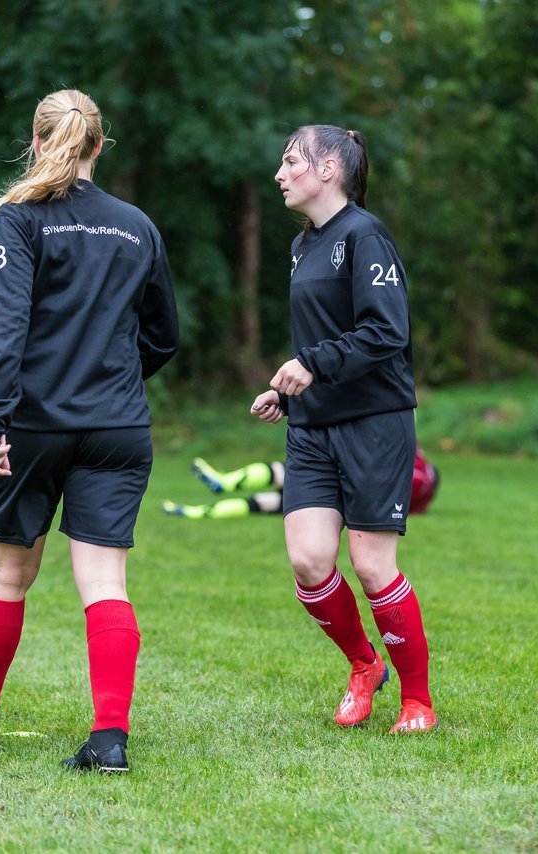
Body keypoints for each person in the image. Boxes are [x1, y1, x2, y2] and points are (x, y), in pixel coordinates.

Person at [0, 89, 178, 774]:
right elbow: (165, 335)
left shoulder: (20, 217)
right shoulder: (138, 226)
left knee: (8, 573)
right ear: (100, 145)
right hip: (118, 427)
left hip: (33, 425)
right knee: (105, 582)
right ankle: (109, 742)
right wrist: (117, 380)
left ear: (37, 143)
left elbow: (8, 328)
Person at [250, 124, 436, 734]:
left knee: (373, 565)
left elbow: (387, 333)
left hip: (374, 424)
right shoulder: (304, 245)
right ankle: (364, 665)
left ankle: (417, 702)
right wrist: (287, 387)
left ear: (329, 169)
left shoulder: (365, 235)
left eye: (290, 161)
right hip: (313, 426)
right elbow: (321, 339)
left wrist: (312, 364)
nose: (280, 174)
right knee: (308, 560)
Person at [163, 448, 439, 519]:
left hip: (334, 476)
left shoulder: (418, 465)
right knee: (264, 504)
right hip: (342, 502)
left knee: (278, 471)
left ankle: (225, 482)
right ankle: (196, 512)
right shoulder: (419, 498)